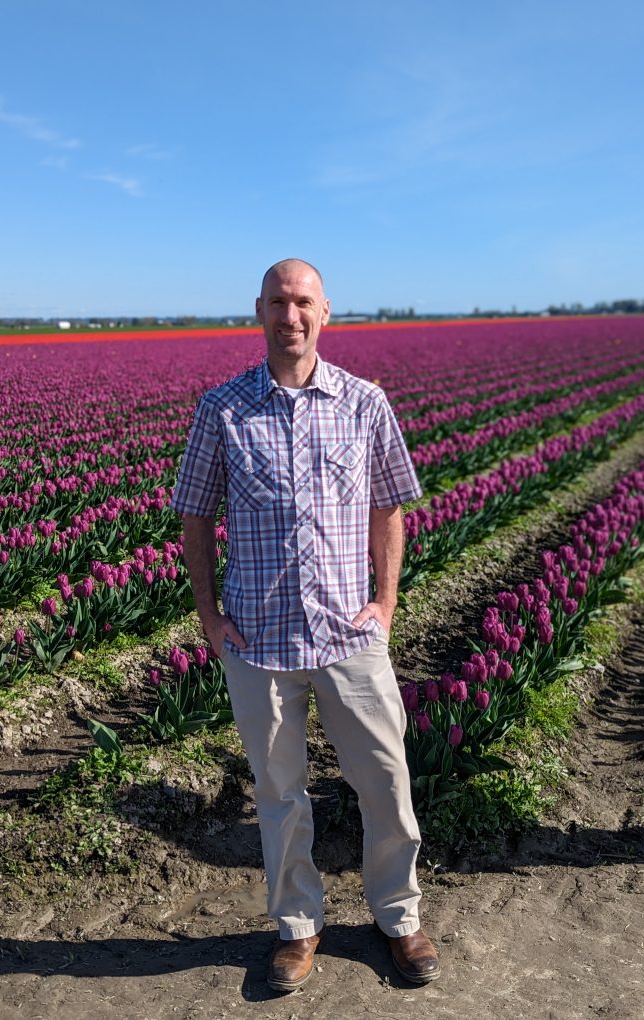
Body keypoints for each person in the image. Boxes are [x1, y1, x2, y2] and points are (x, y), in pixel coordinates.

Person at [172, 258, 440, 992]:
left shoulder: (364, 402)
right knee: (279, 793)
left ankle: (398, 914)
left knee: (385, 780)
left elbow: (390, 508)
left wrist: (385, 604)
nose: (290, 315)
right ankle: (297, 925)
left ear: (326, 312)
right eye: (278, 302)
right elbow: (194, 514)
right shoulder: (221, 408)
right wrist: (207, 613)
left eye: (303, 302)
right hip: (259, 642)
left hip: (349, 637)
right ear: (258, 311)